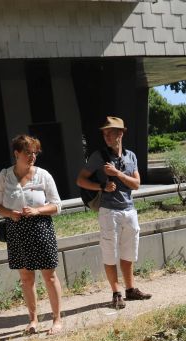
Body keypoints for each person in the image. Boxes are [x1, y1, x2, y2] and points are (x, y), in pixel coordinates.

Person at [0, 135, 64, 335]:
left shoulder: (43, 175)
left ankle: (57, 319)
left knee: (49, 276)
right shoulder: (5, 176)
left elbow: (57, 205)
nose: (32, 156)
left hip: (41, 227)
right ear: (17, 153)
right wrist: (9, 213)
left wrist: (37, 210)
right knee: (25, 278)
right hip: (16, 229)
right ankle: (33, 320)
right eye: (27, 153)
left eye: (35, 153)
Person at [76, 116, 152, 310]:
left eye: (110, 132)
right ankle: (116, 293)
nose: (106, 136)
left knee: (128, 252)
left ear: (121, 133)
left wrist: (117, 174)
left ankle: (131, 289)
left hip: (129, 210)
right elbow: (81, 180)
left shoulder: (131, 156)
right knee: (110, 253)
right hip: (109, 211)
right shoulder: (98, 156)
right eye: (104, 133)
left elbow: (136, 184)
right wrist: (101, 186)